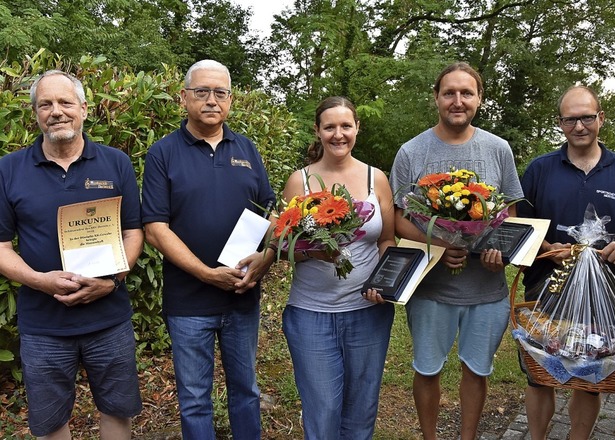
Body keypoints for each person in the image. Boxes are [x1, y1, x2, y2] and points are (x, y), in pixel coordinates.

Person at [0, 70, 143, 439]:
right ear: (35, 114)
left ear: (83, 108)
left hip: (109, 319)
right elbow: (0, 247)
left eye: (65, 102)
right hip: (43, 324)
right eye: (45, 104)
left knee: (117, 411)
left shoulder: (116, 163)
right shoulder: (8, 169)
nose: (56, 111)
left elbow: (133, 232)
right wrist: (39, 281)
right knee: (50, 423)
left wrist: (111, 282)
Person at [141, 59, 276, 440]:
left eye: (220, 93)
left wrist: (263, 264)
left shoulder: (247, 148)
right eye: (202, 92)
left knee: (246, 392)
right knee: (195, 398)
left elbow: (271, 214)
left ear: (231, 100)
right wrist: (205, 273)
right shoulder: (162, 153)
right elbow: (155, 229)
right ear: (184, 98)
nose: (212, 100)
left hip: (241, 297)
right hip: (189, 302)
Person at [389, 62, 524, 440]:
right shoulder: (411, 151)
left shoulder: (498, 149)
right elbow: (398, 217)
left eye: (467, 93)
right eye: (449, 92)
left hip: (487, 287)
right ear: (436, 97)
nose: (458, 100)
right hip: (431, 287)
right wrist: (437, 244)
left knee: (477, 370)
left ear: (479, 98)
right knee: (427, 369)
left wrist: (502, 251)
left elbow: (509, 212)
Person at [518, 85, 615, 440]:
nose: (580, 126)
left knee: (591, 376)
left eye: (587, 117)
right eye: (571, 119)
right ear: (560, 124)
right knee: (539, 374)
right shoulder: (540, 169)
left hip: (605, 287)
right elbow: (521, 224)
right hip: (545, 287)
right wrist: (546, 246)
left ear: (601, 118)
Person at [280, 96, 396, 439]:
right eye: (329, 127)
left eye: (346, 126)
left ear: (357, 128)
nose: (338, 134)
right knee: (322, 409)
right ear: (318, 131)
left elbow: (386, 240)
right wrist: (314, 252)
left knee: (362, 408)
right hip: (311, 313)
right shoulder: (299, 181)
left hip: (367, 312)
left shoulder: (377, 180)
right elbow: (284, 247)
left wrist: (383, 280)